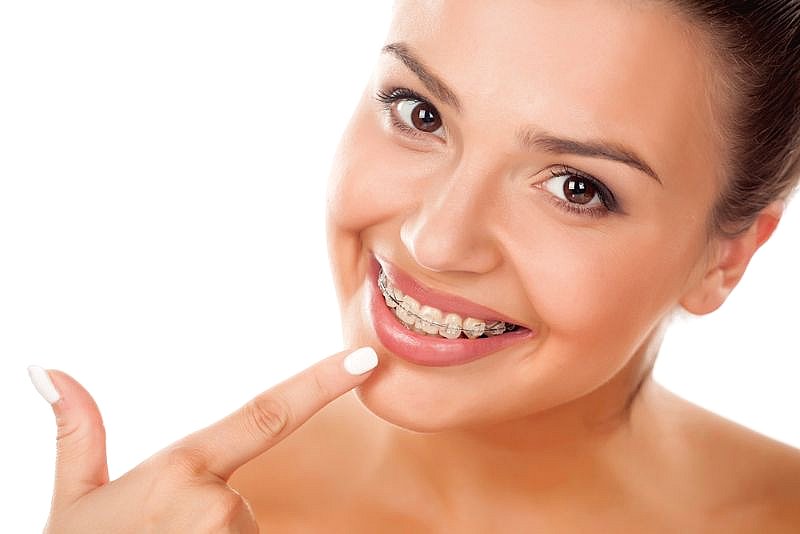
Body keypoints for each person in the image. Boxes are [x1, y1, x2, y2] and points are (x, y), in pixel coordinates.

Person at [28, 1, 800, 531]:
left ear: (726, 259)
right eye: (420, 113)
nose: (436, 241)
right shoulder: (191, 517)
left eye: (577, 187)